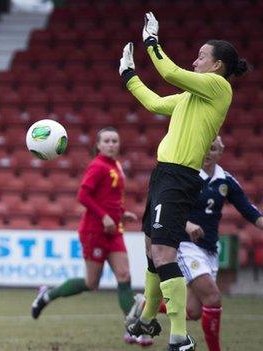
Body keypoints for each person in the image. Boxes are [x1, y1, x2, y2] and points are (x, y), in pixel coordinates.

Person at [118, 11, 250, 350]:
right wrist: (128, 74)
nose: (195, 61)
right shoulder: (194, 97)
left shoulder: (217, 87)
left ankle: (179, 336)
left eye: (201, 57)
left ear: (217, 66)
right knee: (151, 248)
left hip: (179, 176)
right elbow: (154, 102)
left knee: (163, 252)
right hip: (164, 173)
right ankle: (148, 318)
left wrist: (152, 42)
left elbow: (170, 72)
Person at [127, 137, 263, 351]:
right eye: (205, 147)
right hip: (184, 245)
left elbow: (249, 210)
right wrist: (187, 225)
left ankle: (144, 307)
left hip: (209, 248)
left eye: (214, 149)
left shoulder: (225, 181)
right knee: (213, 297)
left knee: (193, 311)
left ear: (221, 151)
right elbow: (168, 209)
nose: (209, 152)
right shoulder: (185, 178)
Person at [31, 127, 139, 344]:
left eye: (114, 141)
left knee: (124, 276)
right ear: (98, 145)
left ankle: (132, 328)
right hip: (95, 231)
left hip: (114, 230)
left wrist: (119, 213)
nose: (110, 144)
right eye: (106, 141)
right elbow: (83, 195)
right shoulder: (97, 166)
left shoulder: (116, 165)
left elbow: (109, 196)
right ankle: (47, 294)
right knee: (91, 283)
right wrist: (104, 217)